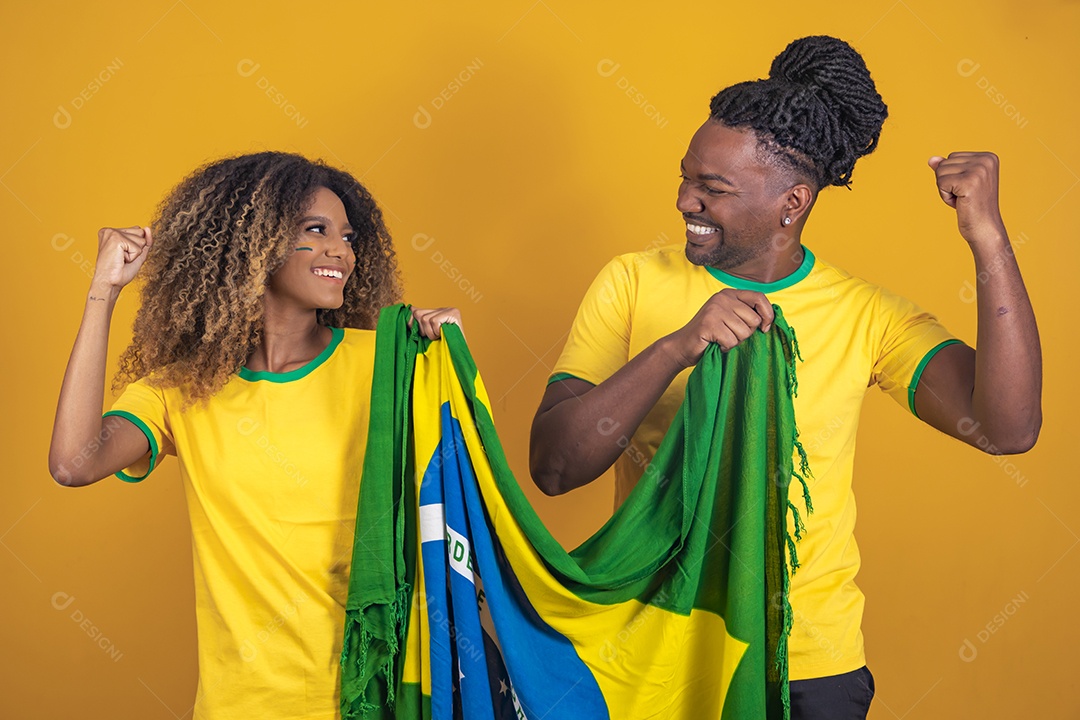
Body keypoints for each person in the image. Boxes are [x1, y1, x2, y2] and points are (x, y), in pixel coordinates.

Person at [529, 36, 1040, 720]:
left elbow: (1008, 428)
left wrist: (988, 237)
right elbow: (556, 467)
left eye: (713, 188)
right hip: (656, 647)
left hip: (807, 666)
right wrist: (677, 348)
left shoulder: (865, 315)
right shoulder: (632, 282)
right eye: (686, 177)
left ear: (792, 203)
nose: (685, 200)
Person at [48, 152, 461, 720]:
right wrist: (104, 291)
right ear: (254, 243)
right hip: (237, 706)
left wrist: (448, 359)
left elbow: (464, 501)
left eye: (347, 236)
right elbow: (74, 462)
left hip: (370, 698)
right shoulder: (181, 390)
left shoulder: (389, 365)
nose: (340, 251)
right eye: (315, 231)